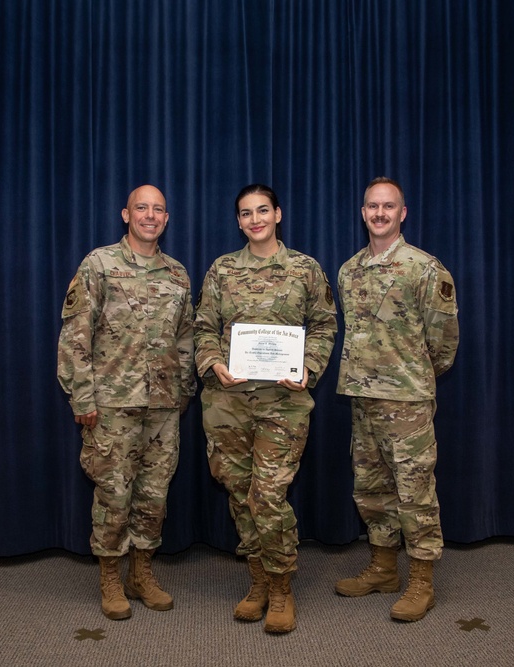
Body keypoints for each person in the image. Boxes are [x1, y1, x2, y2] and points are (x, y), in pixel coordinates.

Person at [194, 184, 337, 633]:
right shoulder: (221, 270)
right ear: (238, 221)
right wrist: (214, 362)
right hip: (228, 403)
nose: (255, 219)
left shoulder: (304, 269)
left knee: (268, 495)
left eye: (262, 211)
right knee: (240, 494)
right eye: (245, 213)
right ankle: (256, 581)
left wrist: (308, 368)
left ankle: (280, 588)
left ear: (278, 214)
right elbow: (202, 328)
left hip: (283, 403)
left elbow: (324, 325)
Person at [57, 184, 195, 621]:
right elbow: (76, 334)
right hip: (112, 404)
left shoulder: (177, 273)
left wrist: (185, 390)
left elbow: (187, 337)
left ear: (167, 218)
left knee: (154, 494)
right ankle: (111, 577)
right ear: (126, 214)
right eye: (142, 208)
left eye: (158, 209)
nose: (150, 216)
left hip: (163, 406)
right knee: (114, 494)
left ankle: (143, 573)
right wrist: (82, 395)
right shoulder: (99, 264)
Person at [334, 177, 459, 622]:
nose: (380, 213)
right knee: (371, 490)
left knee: (415, 492)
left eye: (389, 206)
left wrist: (414, 375)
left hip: (406, 402)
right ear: (363, 212)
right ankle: (384, 569)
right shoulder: (349, 270)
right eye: (372, 206)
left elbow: (444, 345)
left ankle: (421, 582)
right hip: (362, 398)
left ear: (402, 213)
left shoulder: (425, 269)